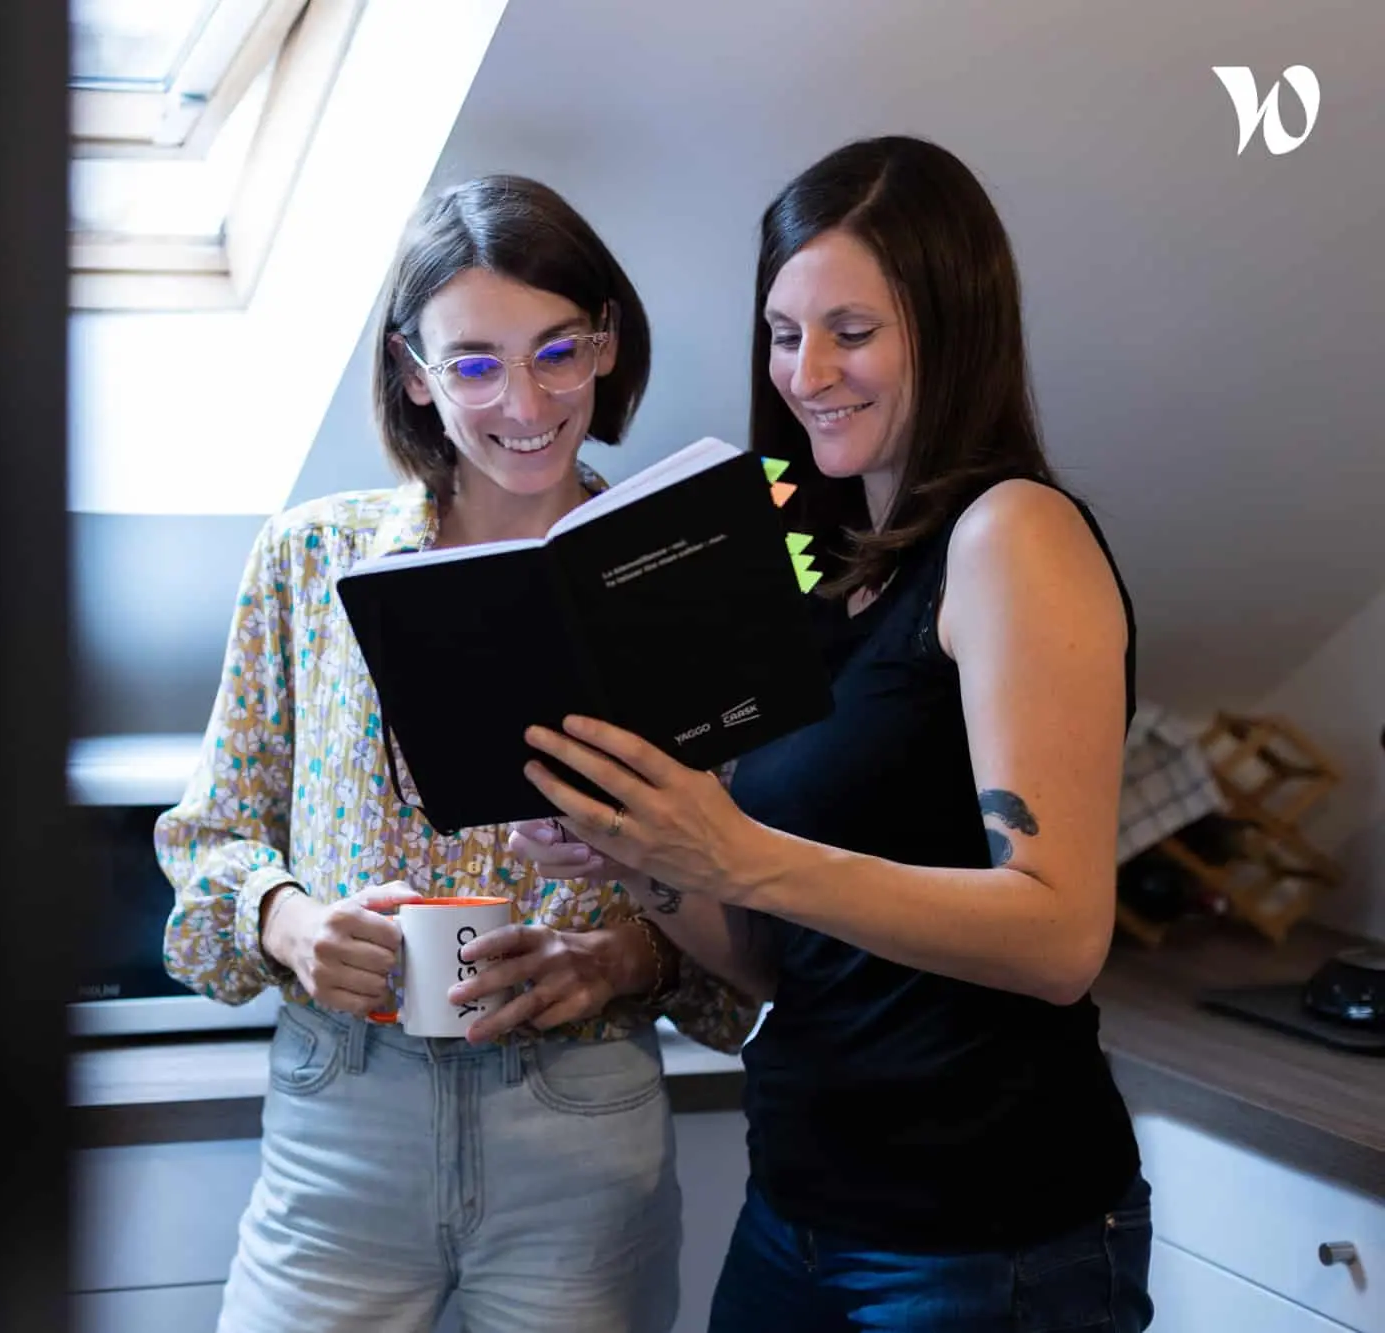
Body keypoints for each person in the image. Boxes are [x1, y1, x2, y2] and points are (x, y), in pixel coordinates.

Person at [483, 136, 1156, 1332]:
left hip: (981, 1241)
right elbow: (771, 963)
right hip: (801, 1210)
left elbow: (1058, 935)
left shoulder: (1012, 535)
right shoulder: (825, 574)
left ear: (951, 324)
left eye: (852, 331)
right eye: (783, 334)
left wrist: (738, 850)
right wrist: (648, 852)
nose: (807, 373)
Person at [154, 174, 763, 1333]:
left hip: (578, 1129)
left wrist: (615, 959)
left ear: (605, 347)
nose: (523, 401)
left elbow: (739, 904)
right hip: (342, 1119)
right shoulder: (309, 560)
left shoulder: (682, 574)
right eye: (474, 362)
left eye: (556, 352)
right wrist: (291, 920)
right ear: (412, 372)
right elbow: (209, 838)